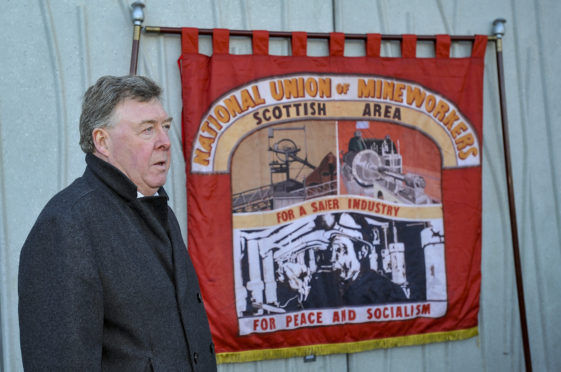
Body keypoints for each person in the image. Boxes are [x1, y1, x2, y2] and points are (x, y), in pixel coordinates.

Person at [18, 75, 217, 371]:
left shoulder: (155, 204)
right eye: (147, 130)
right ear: (103, 141)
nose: (164, 141)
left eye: (165, 126)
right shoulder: (66, 224)